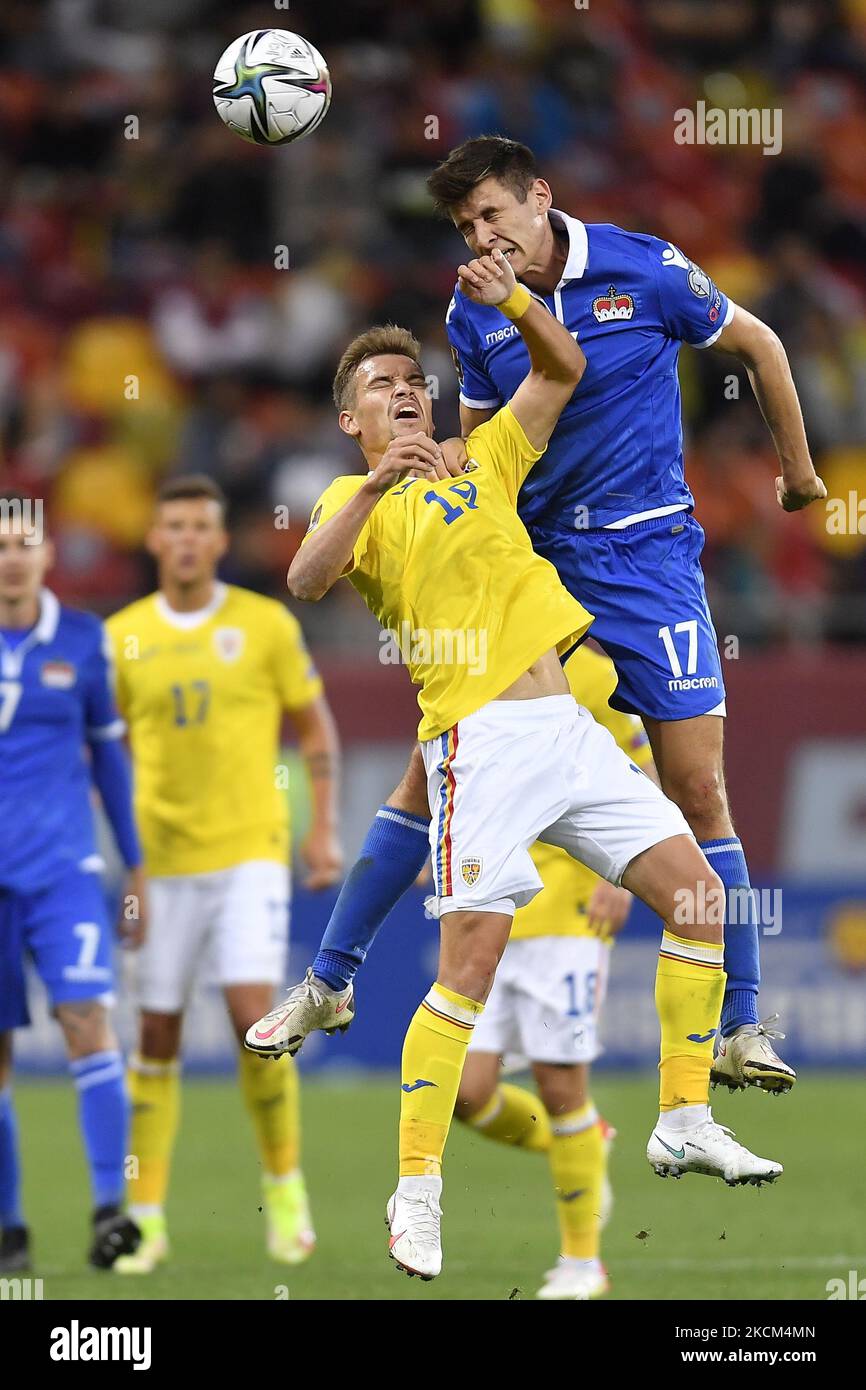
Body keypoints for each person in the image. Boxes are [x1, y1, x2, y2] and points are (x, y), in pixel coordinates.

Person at [247, 248, 782, 1283]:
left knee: (700, 901)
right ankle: (413, 1195)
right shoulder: (346, 503)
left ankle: (681, 1115)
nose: (403, 396)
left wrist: (515, 300)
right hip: (478, 742)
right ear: (350, 422)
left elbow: (561, 369)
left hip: (571, 736)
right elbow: (306, 579)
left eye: (413, 382)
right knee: (467, 972)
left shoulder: (482, 459)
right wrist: (372, 487)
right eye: (378, 390)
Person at [257, 136, 826, 1098]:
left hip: (647, 559)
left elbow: (760, 345)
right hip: (540, 560)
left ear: (539, 198)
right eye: (466, 226)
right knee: (427, 769)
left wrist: (800, 473)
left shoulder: (644, 269)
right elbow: (489, 435)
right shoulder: (468, 308)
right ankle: (330, 977)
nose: (483, 238)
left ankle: (738, 1023)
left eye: (492, 216)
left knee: (700, 790)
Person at [105, 475, 343, 1274]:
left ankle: (285, 1192)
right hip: (162, 864)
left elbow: (314, 730)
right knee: (157, 1036)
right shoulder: (122, 638)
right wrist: (125, 867)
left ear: (216, 541)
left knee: (255, 1021)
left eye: (199, 526)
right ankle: (144, 1220)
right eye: (170, 525)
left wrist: (324, 833)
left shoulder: (266, 625)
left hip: (249, 854)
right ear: (154, 539)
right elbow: (106, 756)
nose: (184, 539)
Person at [454, 643, 649, 1301]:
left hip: (565, 909)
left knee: (560, 1082)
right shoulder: (470, 663)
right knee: (468, 1094)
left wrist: (618, 875)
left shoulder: (591, 672)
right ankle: (585, 1147)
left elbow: (637, 770)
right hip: (489, 906)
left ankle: (582, 1264)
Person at [0, 491, 144, 1271]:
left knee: (88, 1019)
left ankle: (107, 1215)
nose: (13, 556)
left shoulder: (85, 641)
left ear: (49, 554)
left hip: (63, 873)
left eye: (25, 542)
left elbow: (110, 760)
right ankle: (11, 1229)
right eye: (1, 545)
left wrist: (137, 866)